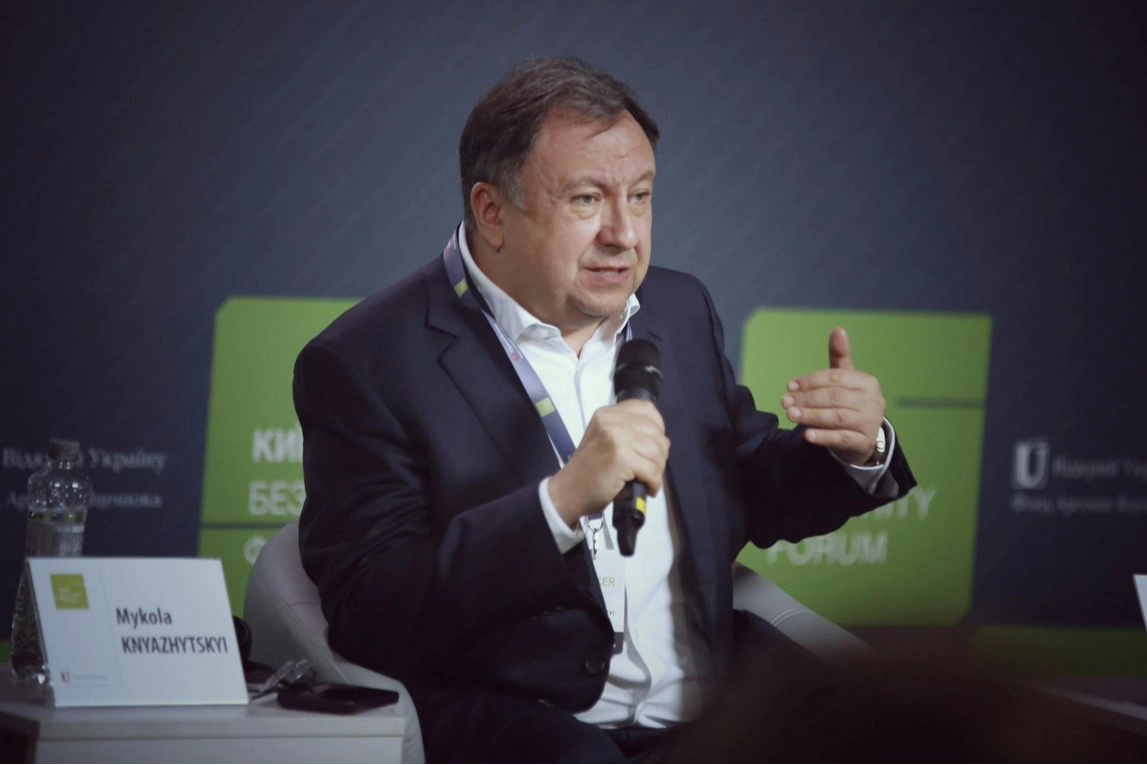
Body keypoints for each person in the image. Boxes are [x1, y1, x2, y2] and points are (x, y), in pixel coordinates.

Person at [293, 56, 915, 764]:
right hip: (533, 722)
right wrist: (556, 505)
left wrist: (855, 448)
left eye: (640, 196)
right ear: (492, 213)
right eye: (587, 200)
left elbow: (743, 482)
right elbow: (373, 613)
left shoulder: (677, 307)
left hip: (714, 712)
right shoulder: (368, 360)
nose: (624, 233)